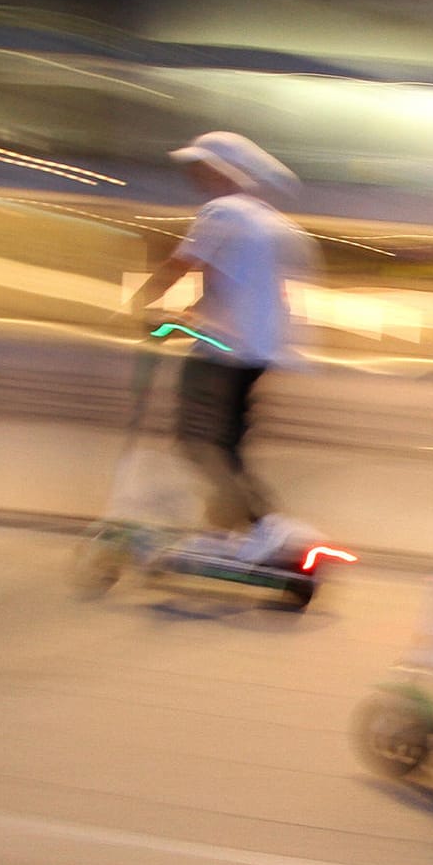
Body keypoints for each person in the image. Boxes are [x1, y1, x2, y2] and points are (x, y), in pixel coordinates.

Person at [125, 130, 317, 558]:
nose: (194, 173)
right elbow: (239, 285)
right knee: (226, 444)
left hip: (223, 350)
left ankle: (263, 527)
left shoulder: (221, 212)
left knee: (196, 442)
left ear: (221, 171)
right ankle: (226, 530)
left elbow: (181, 264)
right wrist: (188, 314)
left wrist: (138, 304)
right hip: (259, 352)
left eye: (200, 165)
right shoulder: (269, 220)